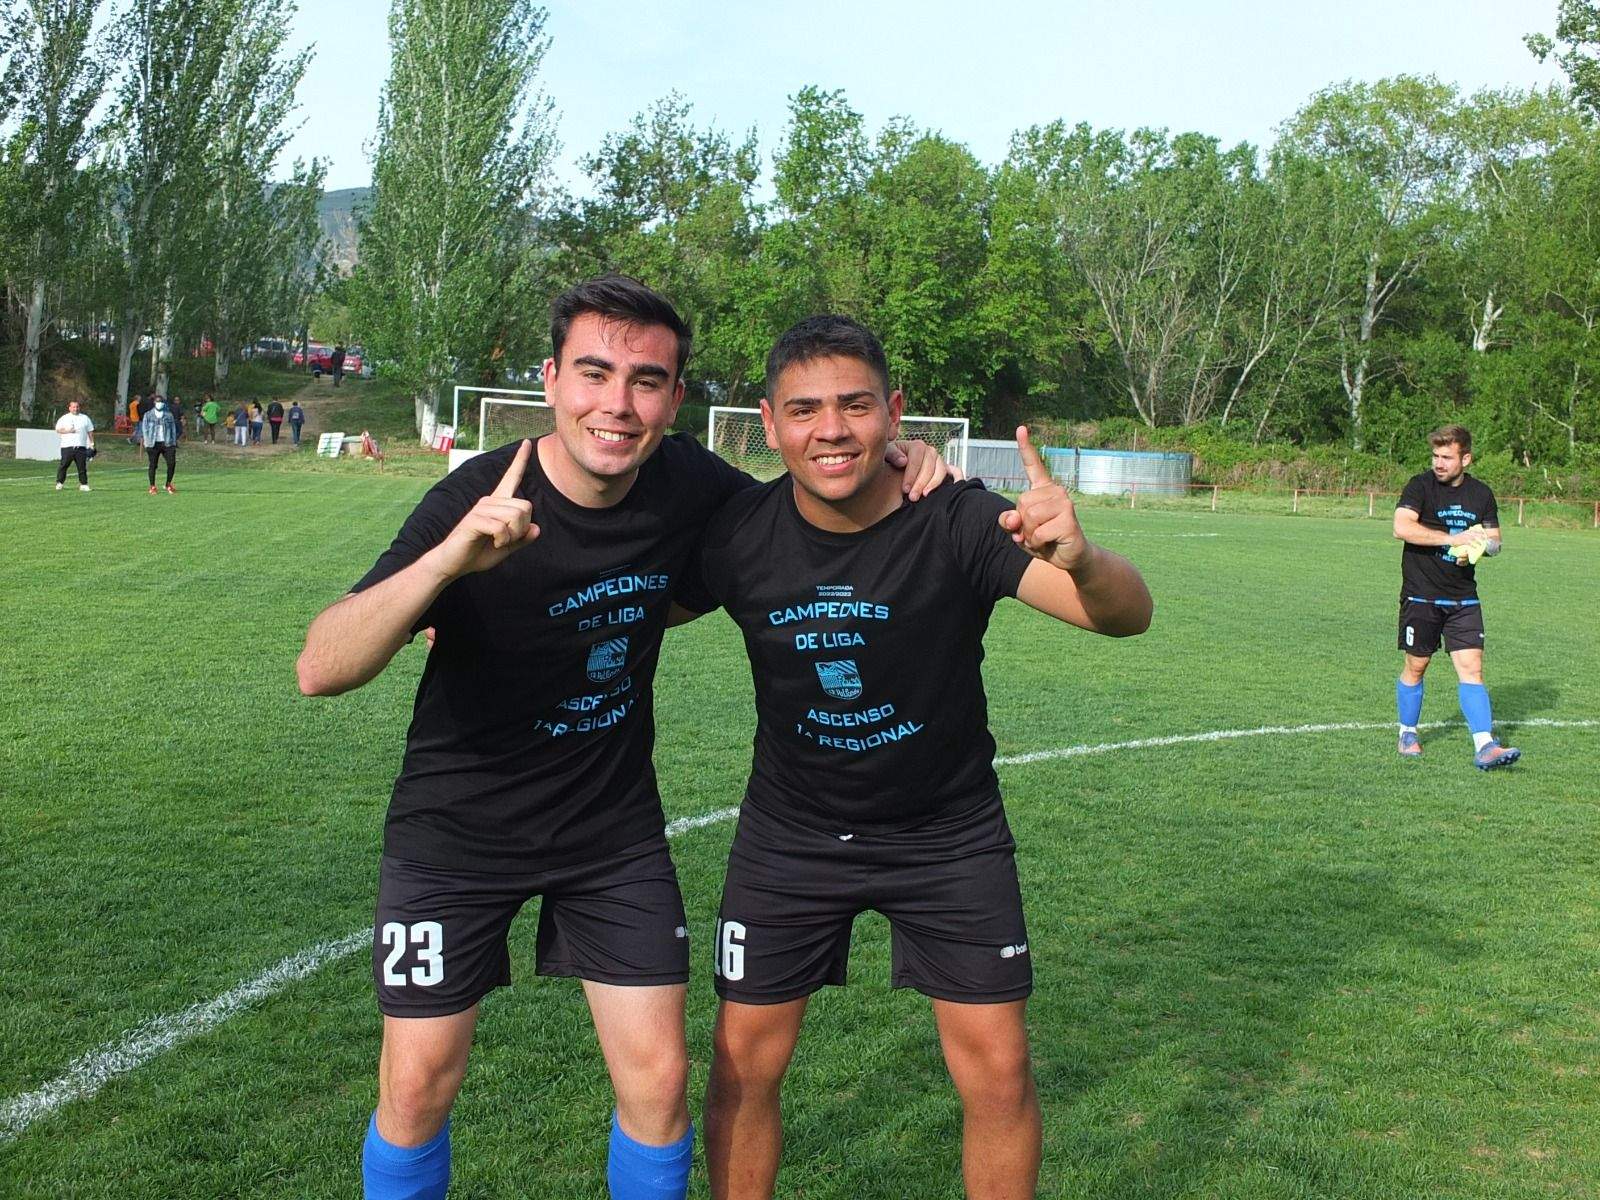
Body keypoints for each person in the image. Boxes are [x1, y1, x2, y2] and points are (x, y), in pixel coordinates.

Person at [296, 277, 954, 1200]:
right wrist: (448, 565)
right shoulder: (479, 494)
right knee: (417, 1084)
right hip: (457, 834)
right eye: (595, 374)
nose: (617, 404)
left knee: (659, 1083)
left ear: (676, 400)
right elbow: (322, 665)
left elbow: (798, 512)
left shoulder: (688, 481)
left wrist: (898, 454)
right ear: (552, 379)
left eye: (646, 381)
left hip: (610, 836)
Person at [687, 316, 1152, 1200]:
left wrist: (1084, 558)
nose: (832, 429)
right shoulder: (737, 534)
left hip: (948, 836)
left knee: (999, 1071)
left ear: (895, 413)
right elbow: (628, 607)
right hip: (789, 837)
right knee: (742, 1063)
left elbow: (1124, 614)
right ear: (769, 422)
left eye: (857, 405)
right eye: (806, 409)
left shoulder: (962, 519)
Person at [1393, 424, 1519, 769]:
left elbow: (1495, 541)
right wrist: (1453, 539)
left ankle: (1485, 745)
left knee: (1472, 668)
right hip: (1421, 596)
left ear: (1466, 458)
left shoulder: (1481, 494)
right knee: (1417, 666)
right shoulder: (1420, 486)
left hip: (1464, 597)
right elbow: (1401, 527)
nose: (1438, 463)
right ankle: (1407, 732)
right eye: (1435, 456)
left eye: (1446, 457)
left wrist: (1481, 546)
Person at [141, 396, 179, 494]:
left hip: (167, 442)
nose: (159, 403)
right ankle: (152, 486)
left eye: (161, 402)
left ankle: (168, 484)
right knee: (153, 465)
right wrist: (146, 442)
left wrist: (174, 442)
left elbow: (173, 429)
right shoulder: (148, 415)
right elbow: (145, 429)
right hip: (153, 444)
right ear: (154, 402)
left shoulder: (168, 415)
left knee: (172, 463)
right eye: (158, 401)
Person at [54, 400, 95, 491]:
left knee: (82, 466)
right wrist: (68, 431)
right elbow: (58, 430)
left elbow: (90, 431)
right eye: (73, 407)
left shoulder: (85, 418)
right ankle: (59, 483)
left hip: (81, 447)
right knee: (64, 465)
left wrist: (92, 443)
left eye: (77, 407)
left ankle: (83, 484)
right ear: (69, 408)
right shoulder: (64, 418)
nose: (75, 409)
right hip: (67, 446)